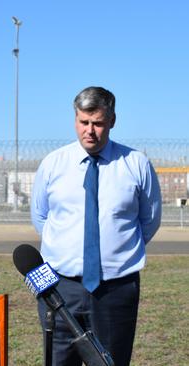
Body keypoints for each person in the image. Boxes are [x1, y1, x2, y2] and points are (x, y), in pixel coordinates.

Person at [30, 86, 162, 366]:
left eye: (98, 123)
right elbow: (41, 217)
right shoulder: (53, 164)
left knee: (111, 361)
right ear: (75, 119)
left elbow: (149, 221)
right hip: (60, 287)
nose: (90, 131)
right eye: (83, 122)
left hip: (115, 289)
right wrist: (68, 252)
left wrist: (114, 253)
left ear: (112, 121)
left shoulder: (136, 164)